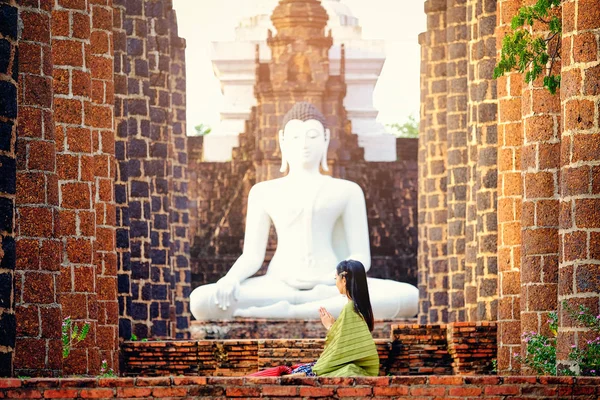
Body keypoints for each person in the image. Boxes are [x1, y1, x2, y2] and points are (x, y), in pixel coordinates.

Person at [190, 102, 418, 321]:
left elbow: (361, 257)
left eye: (312, 136)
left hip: (332, 286)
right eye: (295, 136)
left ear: (326, 138)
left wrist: (338, 279)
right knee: (201, 300)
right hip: (277, 284)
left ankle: (287, 312)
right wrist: (230, 279)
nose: (304, 144)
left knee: (408, 297)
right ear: (282, 140)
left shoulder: (347, 191)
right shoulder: (263, 191)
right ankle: (313, 310)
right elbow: (252, 256)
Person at [249, 259, 380, 377]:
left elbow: (341, 349)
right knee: (297, 370)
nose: (335, 283)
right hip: (349, 364)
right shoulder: (358, 308)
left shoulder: (350, 308)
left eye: (335, 278)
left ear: (344, 280)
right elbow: (349, 342)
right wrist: (335, 326)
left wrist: (330, 326)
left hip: (345, 366)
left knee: (294, 373)